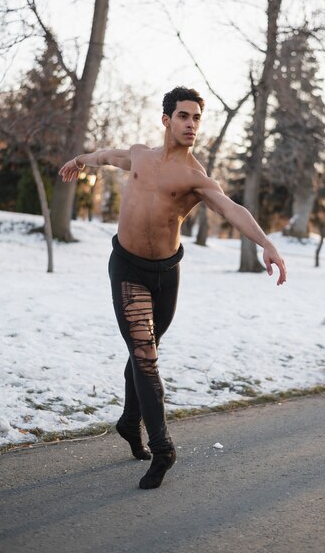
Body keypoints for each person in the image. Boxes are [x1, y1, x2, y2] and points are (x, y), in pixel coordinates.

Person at [59, 86, 287, 490]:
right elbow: (107, 156)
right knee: (144, 354)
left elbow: (232, 209)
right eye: (184, 116)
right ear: (167, 120)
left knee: (144, 351)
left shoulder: (196, 178)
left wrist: (266, 244)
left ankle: (130, 422)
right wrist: (80, 160)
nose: (191, 124)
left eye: (197, 118)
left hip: (166, 275)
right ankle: (162, 448)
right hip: (127, 267)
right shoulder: (140, 156)